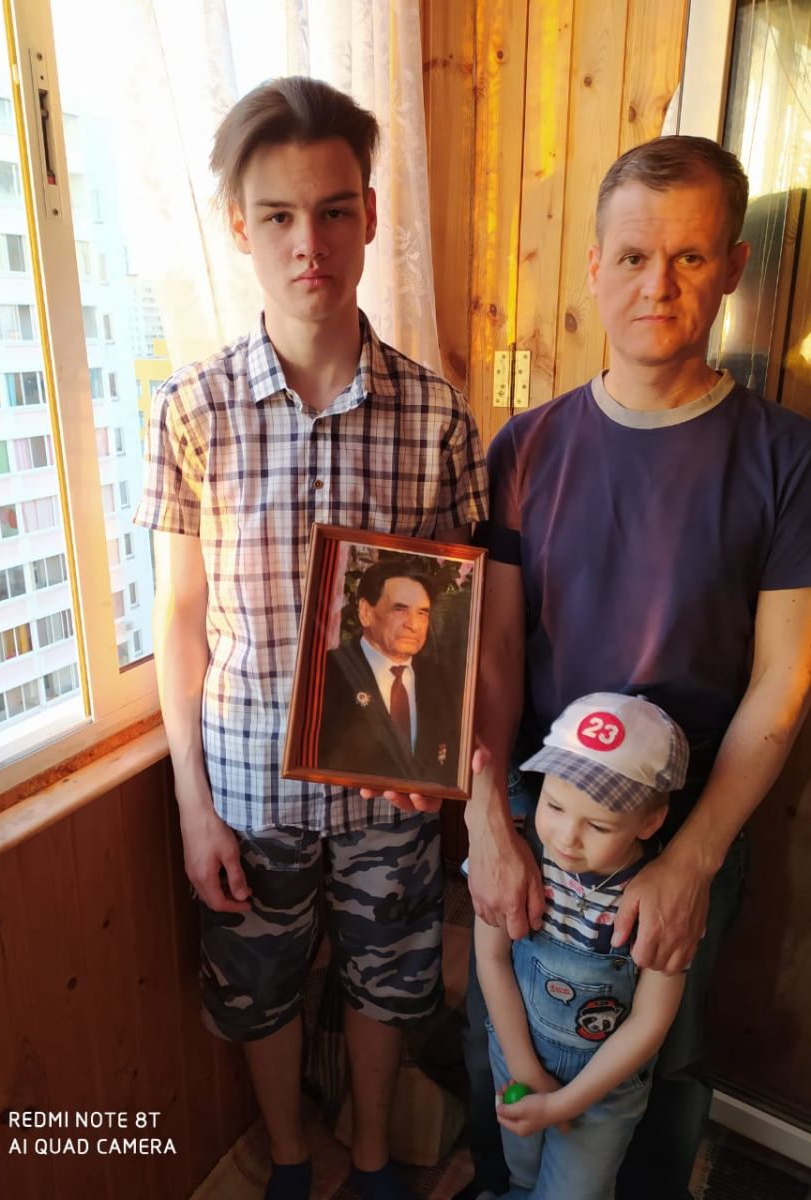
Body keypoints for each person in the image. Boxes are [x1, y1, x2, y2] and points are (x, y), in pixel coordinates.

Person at [134, 77, 488, 1200]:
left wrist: (437, 758)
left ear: (370, 215)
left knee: (391, 986)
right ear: (240, 227)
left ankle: (374, 1158)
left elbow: (458, 613)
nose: (310, 244)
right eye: (279, 215)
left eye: (334, 211)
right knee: (257, 992)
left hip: (391, 788)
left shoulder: (438, 415)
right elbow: (178, 617)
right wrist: (192, 804)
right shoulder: (191, 411)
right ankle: (292, 1159)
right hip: (245, 787)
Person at [450, 135, 811, 1200]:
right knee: (497, 1039)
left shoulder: (786, 458)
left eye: (690, 257)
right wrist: (488, 822)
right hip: (540, 815)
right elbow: (494, 650)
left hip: (680, 829)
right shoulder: (525, 448)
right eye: (635, 256)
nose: (659, 285)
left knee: (664, 1060)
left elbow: (784, 678)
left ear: (733, 267)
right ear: (595, 266)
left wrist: (691, 861)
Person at [477, 693, 689, 1200]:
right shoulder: (517, 858)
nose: (567, 837)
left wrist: (564, 1104)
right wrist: (526, 1070)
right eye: (553, 805)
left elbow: (650, 1022)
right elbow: (491, 959)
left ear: (650, 822)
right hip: (516, 1053)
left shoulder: (662, 903)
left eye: (598, 825)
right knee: (521, 1174)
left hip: (601, 1091)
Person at [318, 558, 461, 784]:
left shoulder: (441, 679)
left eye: (422, 613)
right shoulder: (326, 673)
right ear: (366, 612)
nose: (413, 625)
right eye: (400, 610)